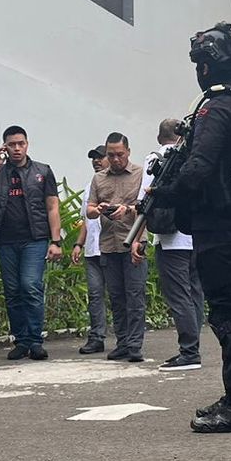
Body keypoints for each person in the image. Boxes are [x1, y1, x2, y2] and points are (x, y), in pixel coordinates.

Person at [150, 21, 231, 433]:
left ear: (208, 65)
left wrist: (167, 196)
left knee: (229, 313)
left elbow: (199, 166)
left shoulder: (217, 107)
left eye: (199, 61)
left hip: (223, 224)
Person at [0, 125, 64, 361]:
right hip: (5, 240)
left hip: (34, 239)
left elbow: (52, 206)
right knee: (13, 292)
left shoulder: (42, 171)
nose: (17, 148)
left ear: (27, 144)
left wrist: (56, 241)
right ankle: (21, 341)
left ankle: (35, 341)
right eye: (12, 144)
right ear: (5, 146)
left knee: (30, 286)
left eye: (20, 143)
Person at [140, 119, 204, 372]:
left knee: (178, 296)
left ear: (159, 137)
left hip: (170, 239)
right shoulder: (194, 158)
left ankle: (189, 351)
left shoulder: (157, 158)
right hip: (196, 234)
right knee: (195, 292)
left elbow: (145, 197)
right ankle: (194, 345)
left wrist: (137, 238)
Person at [86, 132, 147, 363]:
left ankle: (134, 345)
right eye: (111, 155)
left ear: (128, 152)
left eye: (120, 154)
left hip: (133, 242)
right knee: (117, 297)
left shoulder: (141, 174)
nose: (115, 159)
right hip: (108, 245)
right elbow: (89, 210)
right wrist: (100, 209)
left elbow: (147, 207)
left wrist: (127, 209)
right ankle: (122, 342)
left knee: (135, 296)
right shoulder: (99, 178)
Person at [74, 145, 110, 354]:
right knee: (95, 295)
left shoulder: (117, 183)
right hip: (92, 251)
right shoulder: (89, 187)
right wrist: (78, 244)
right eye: (94, 159)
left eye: (100, 157)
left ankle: (128, 338)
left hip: (112, 248)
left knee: (119, 295)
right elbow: (86, 221)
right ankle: (96, 337)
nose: (97, 161)